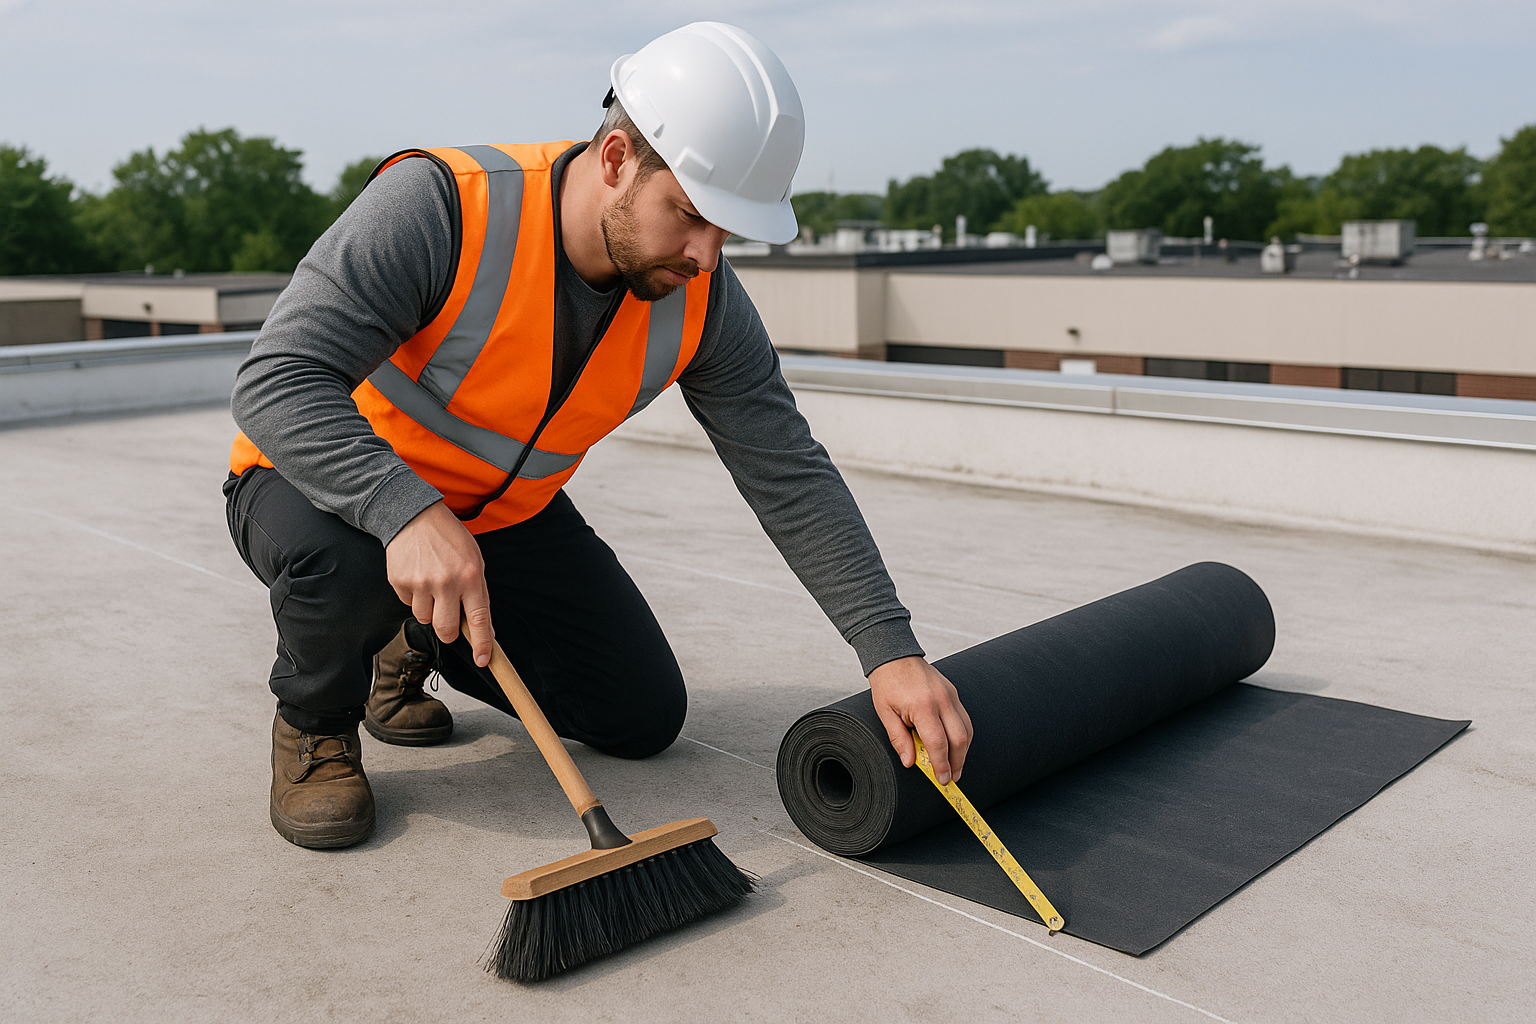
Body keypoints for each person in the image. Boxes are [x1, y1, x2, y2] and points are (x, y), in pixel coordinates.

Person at [224, 22, 973, 849]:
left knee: (639, 713)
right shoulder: (443, 207)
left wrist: (889, 653)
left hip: (497, 518)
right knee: (351, 562)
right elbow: (276, 377)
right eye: (690, 215)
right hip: (324, 488)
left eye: (728, 231)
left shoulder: (704, 298)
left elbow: (787, 468)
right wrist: (401, 508)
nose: (706, 255)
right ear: (616, 158)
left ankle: (406, 642)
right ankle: (316, 726)